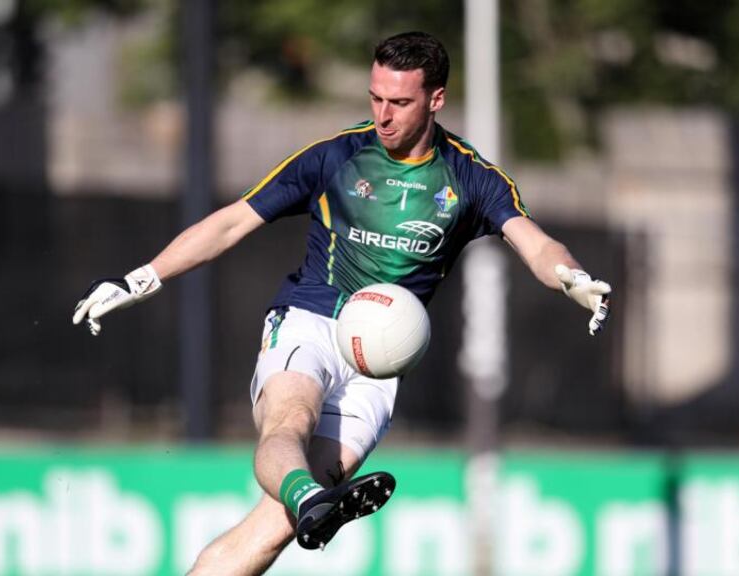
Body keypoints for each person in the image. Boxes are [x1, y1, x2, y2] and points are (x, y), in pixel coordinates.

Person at [72, 31, 611, 576]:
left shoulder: (472, 179)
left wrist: (571, 277)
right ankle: (309, 497)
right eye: (375, 97)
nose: (383, 114)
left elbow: (535, 243)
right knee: (289, 424)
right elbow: (234, 220)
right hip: (309, 319)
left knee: (272, 526)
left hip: (380, 364)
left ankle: (304, 501)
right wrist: (142, 278)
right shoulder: (335, 157)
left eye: (399, 102)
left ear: (436, 99)